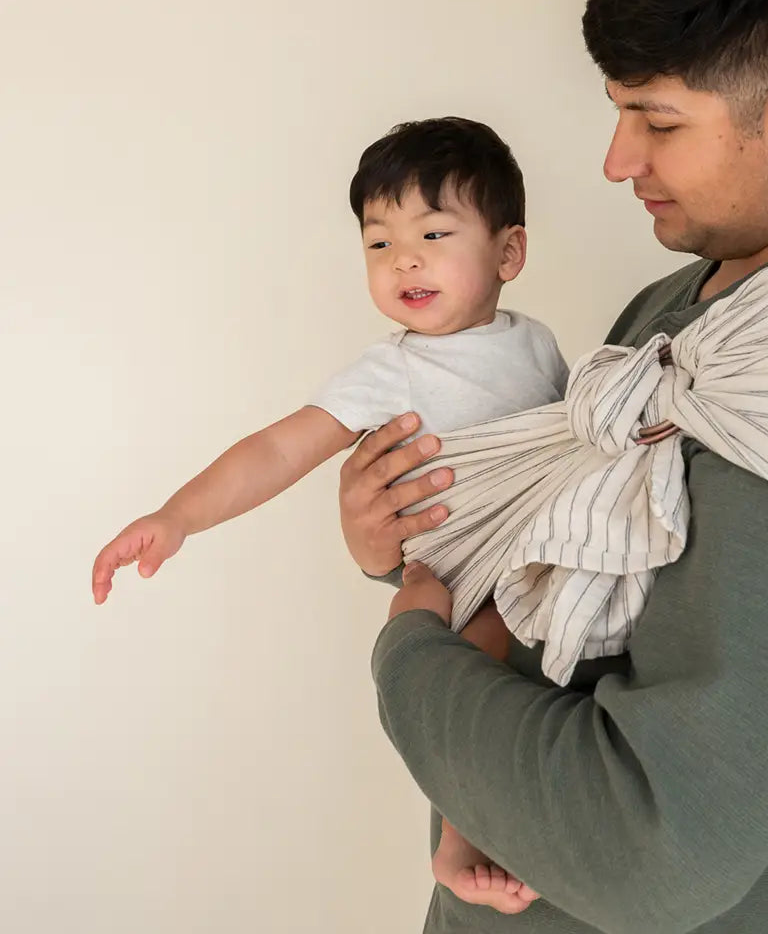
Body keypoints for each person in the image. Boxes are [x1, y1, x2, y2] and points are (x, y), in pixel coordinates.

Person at [353, 0, 768, 930]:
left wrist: (409, 656)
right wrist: (407, 546)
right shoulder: (682, 310)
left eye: (655, 120)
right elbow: (555, 593)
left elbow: (648, 844)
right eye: (619, 113)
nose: (617, 162)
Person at [89, 115, 568, 910]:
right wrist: (177, 516)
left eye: (434, 233)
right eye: (379, 243)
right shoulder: (392, 371)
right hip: (460, 579)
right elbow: (280, 450)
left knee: (522, 685)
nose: (404, 259)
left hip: (543, 554)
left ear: (508, 253)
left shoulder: (540, 344)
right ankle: (457, 841)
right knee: (471, 672)